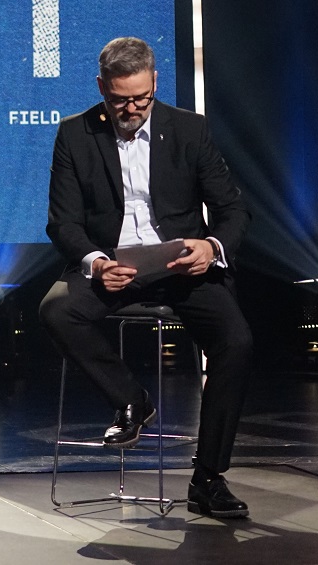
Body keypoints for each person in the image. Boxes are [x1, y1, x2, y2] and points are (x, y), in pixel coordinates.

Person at [40, 36, 254, 518]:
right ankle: (132, 402)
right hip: (113, 263)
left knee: (236, 342)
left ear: (155, 82)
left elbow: (233, 210)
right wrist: (97, 262)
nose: (133, 109)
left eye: (142, 98)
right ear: (102, 88)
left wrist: (210, 248)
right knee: (57, 310)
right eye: (121, 100)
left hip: (181, 264)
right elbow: (63, 222)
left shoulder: (189, 129)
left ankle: (208, 479)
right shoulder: (75, 133)